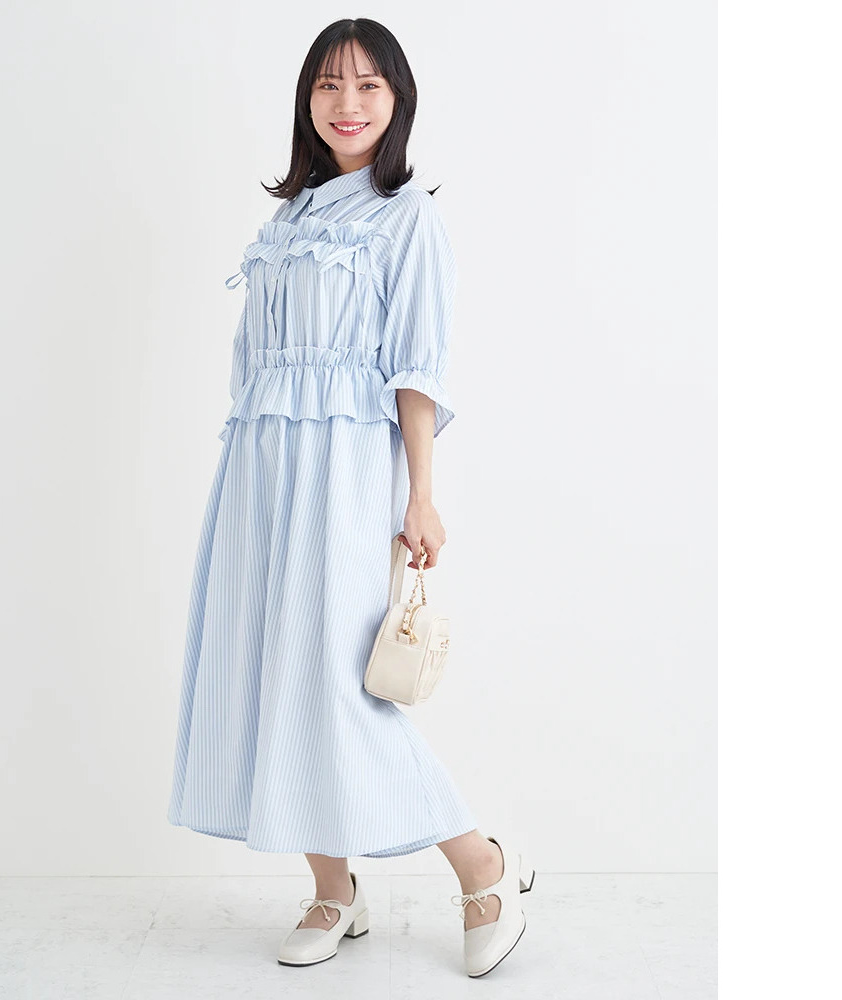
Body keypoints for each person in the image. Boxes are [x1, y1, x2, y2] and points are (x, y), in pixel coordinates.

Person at [166, 18, 534, 978]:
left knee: (336, 679)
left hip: (348, 470)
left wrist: (422, 496)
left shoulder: (406, 218)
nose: (348, 103)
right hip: (260, 468)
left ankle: (481, 864)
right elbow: (254, 364)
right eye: (330, 85)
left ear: (397, 99)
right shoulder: (287, 222)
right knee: (269, 667)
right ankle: (335, 888)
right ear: (308, 100)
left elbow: (416, 368)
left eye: (369, 85)